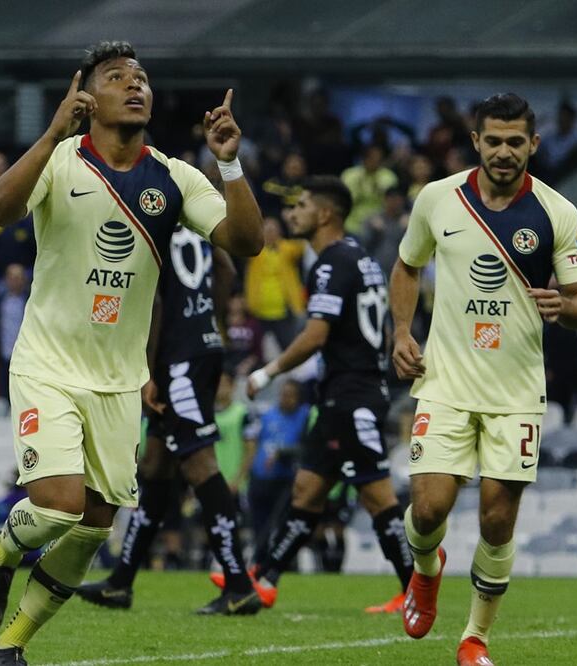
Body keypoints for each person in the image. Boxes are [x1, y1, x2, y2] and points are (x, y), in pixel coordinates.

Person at [0, 40, 262, 666]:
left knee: (95, 527)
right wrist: (49, 135)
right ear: (87, 95)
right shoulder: (61, 158)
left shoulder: (176, 177)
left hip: (119, 382)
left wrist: (230, 167)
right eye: (118, 77)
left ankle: (9, 648)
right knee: (58, 504)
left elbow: (246, 240)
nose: (136, 86)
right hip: (47, 365)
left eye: (143, 79)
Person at [389, 93, 577, 665]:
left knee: (497, 520)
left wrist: (564, 305)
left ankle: (474, 637)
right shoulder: (438, 199)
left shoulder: (558, 213)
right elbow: (407, 265)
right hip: (446, 382)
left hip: (517, 393)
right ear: (476, 141)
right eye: (493, 141)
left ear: (534, 144)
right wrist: (402, 331)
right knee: (428, 509)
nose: (504, 152)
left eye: (515, 142)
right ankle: (425, 573)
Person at [220, 176, 413, 614]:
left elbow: (316, 334)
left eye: (302, 204)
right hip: (342, 392)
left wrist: (267, 372)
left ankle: (416, 587)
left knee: (378, 496)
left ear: (325, 214)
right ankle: (264, 578)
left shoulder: (330, 264)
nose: (292, 213)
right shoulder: (360, 259)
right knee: (307, 489)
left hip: (353, 394)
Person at [75, 225, 258, 615]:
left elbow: (153, 301)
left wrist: (147, 369)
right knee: (156, 465)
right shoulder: (193, 228)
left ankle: (239, 585)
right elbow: (226, 269)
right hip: (202, 350)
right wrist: (213, 322)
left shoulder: (146, 226)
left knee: (199, 462)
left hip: (178, 362)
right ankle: (120, 582)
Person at [246, 379, 309, 553]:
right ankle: (259, 560)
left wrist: (283, 452)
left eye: (290, 396)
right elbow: (253, 443)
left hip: (285, 479)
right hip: (260, 478)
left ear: (298, 398)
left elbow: (307, 446)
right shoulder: (267, 415)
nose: (285, 399)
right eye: (283, 394)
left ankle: (283, 562)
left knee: (281, 525)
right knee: (258, 524)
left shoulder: (305, 415)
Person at [244, 217, 305, 351]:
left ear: (279, 232)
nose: (270, 233)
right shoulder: (255, 251)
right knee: (259, 349)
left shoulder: (287, 248)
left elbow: (301, 245)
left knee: (288, 346)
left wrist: (292, 222)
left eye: (273, 230)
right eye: (267, 230)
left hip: (284, 310)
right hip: (258, 310)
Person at [0, 264, 30, 400]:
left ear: (24, 280)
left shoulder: (31, 301)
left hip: (26, 357)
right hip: (4, 355)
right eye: (12, 277)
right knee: (3, 395)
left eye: (19, 277)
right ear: (6, 280)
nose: (15, 281)